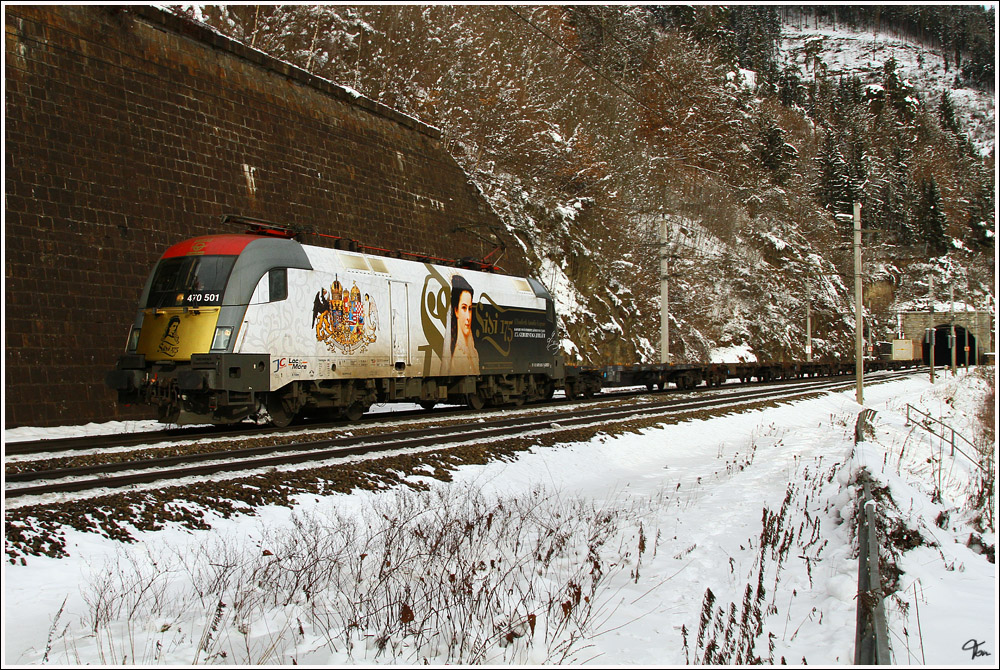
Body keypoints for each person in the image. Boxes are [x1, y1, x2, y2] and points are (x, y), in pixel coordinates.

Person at [447, 275, 479, 375]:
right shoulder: (458, 356)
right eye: (464, 308)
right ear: (456, 311)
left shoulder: (472, 351)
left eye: (470, 309)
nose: (468, 317)